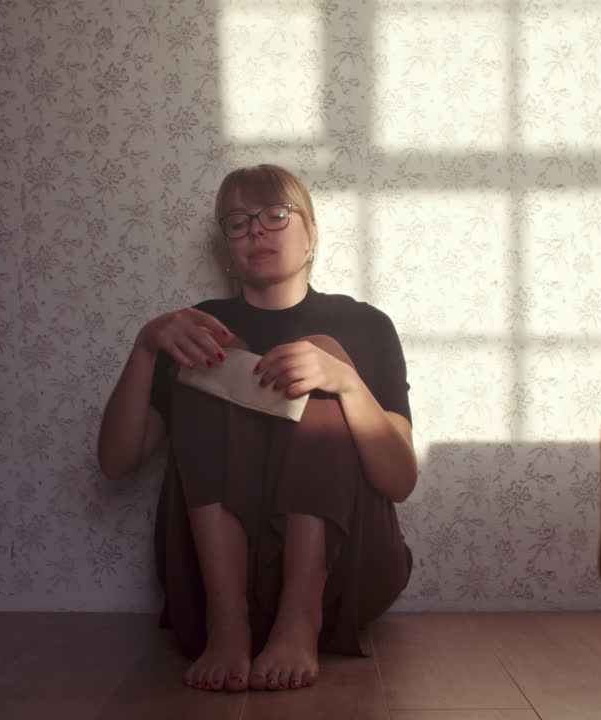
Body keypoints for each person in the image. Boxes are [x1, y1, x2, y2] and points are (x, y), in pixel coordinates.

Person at [97, 164, 415, 693]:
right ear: (226, 245)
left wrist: (347, 383)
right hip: (215, 580)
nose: (257, 231)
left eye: (276, 214)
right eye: (239, 222)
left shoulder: (365, 325)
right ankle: (228, 623)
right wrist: (147, 343)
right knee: (211, 355)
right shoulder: (195, 327)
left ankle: (300, 617)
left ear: (311, 232)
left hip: (345, 576)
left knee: (324, 354)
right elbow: (115, 461)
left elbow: (400, 481)